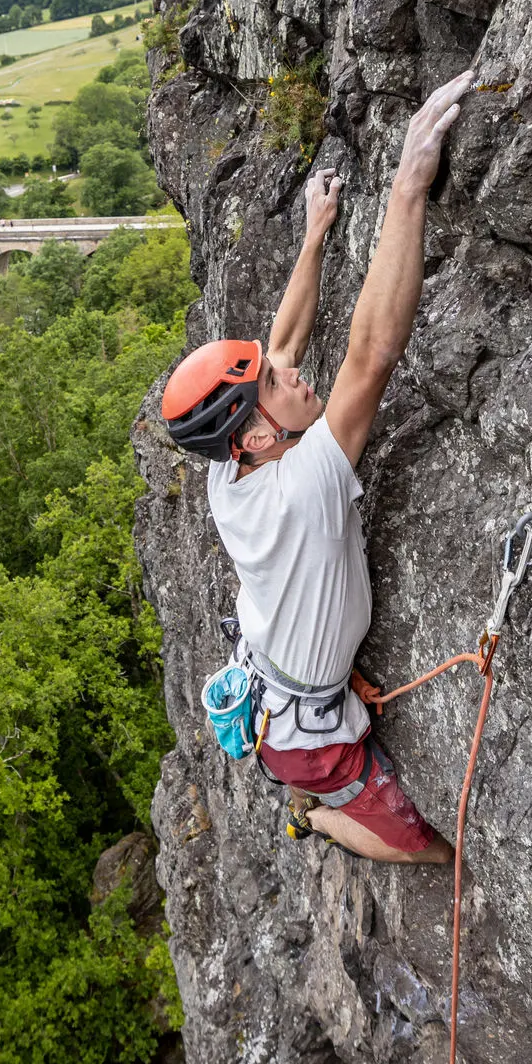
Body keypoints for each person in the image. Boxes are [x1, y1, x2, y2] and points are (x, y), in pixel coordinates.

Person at [160, 71, 477, 865]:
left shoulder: (229, 470)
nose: (293, 376)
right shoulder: (304, 487)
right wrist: (408, 188)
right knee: (427, 845)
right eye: (274, 388)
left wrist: (314, 237)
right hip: (305, 737)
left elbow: (286, 339)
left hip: (268, 674)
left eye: (269, 374)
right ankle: (311, 817)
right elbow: (371, 356)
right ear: (261, 439)